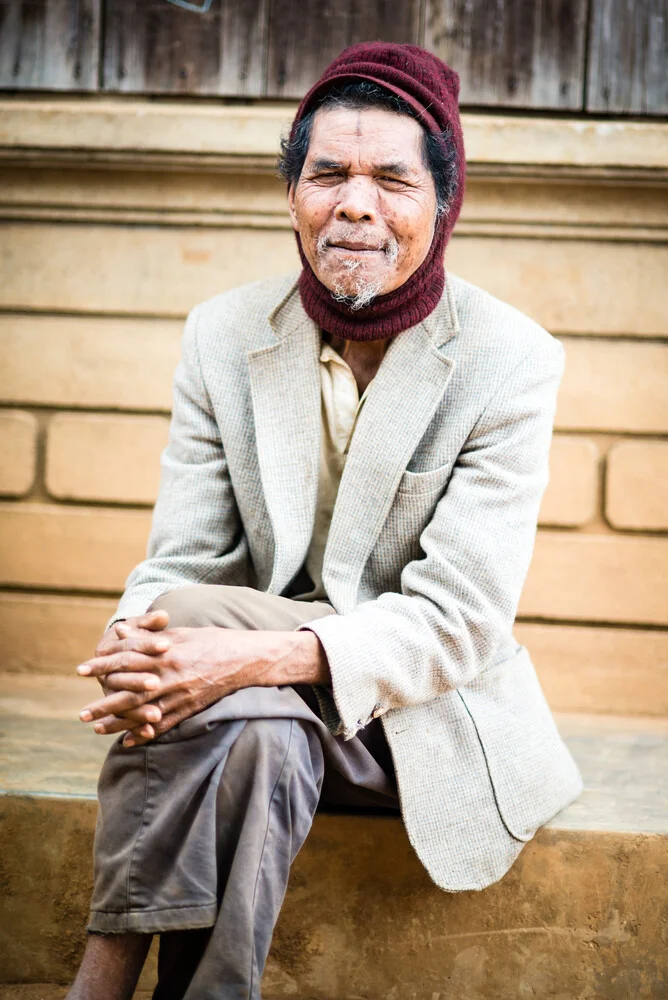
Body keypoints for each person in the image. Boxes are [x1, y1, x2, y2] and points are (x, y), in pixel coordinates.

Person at [67, 42, 582, 1000]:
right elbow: (181, 563)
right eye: (328, 174)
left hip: (415, 720)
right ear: (291, 193)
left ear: (444, 202)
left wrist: (228, 653)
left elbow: (458, 623)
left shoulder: (510, 360)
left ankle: (101, 975)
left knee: (206, 645)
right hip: (249, 712)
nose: (356, 203)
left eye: (392, 178)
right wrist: (138, 643)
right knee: (254, 726)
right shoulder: (224, 334)